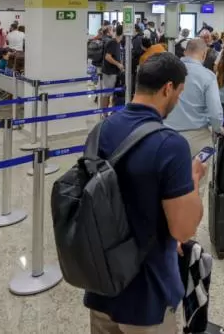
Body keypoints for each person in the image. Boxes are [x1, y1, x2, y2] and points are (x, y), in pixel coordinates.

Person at [83, 53, 205, 334]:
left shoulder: (100, 130)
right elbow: (183, 230)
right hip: (145, 294)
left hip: (101, 284)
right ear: (168, 89)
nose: (178, 99)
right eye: (179, 92)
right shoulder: (170, 145)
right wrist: (194, 177)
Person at [165, 39, 224, 174]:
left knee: (169, 183)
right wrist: (218, 129)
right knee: (197, 184)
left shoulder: (167, 72)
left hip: (167, 135)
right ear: (204, 54)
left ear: (185, 52)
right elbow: (215, 112)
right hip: (197, 138)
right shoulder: (207, 76)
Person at [100, 25, 125, 108]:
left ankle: (108, 112)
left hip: (114, 72)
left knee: (111, 93)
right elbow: (107, 57)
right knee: (107, 94)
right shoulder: (113, 42)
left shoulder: (118, 43)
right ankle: (104, 113)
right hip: (109, 72)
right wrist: (118, 64)